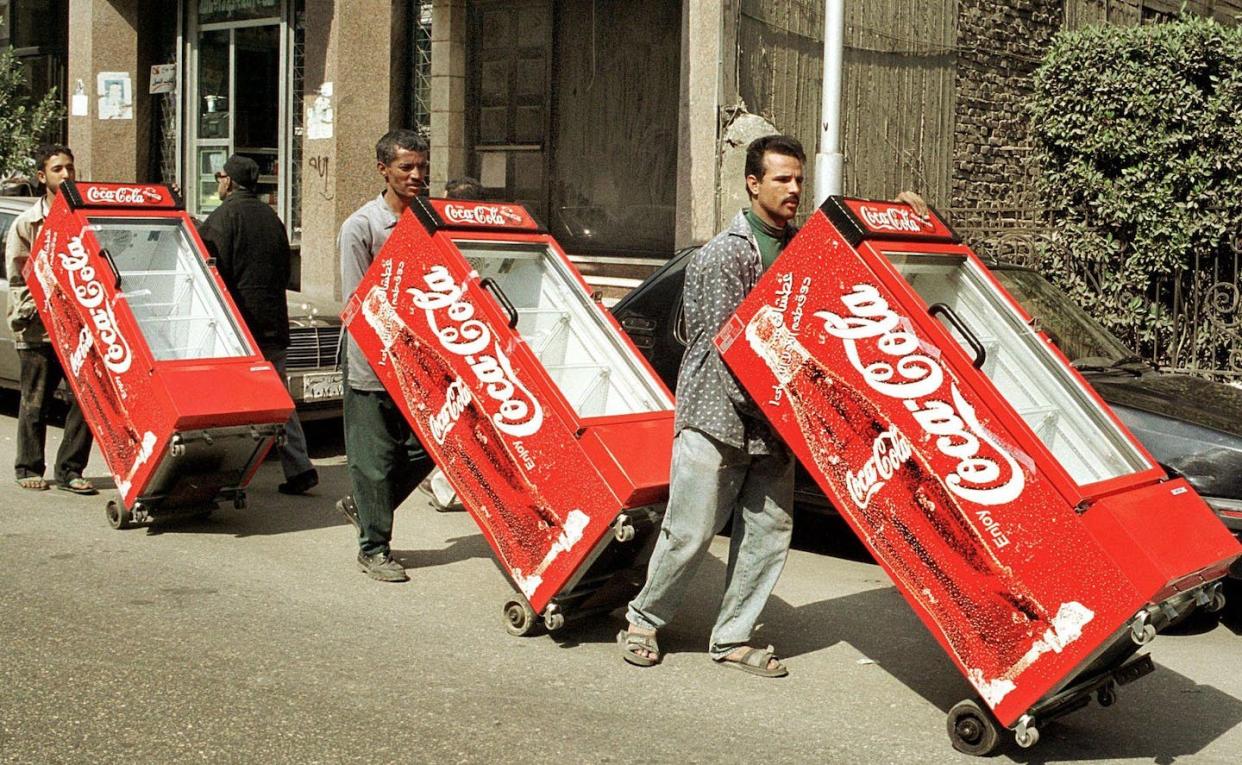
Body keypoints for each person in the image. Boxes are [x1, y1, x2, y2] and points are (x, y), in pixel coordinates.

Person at [616, 134, 926, 676]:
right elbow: (726, 349)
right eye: (782, 179)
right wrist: (790, 411)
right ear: (752, 183)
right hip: (719, 417)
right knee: (690, 531)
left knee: (767, 533)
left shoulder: (801, 246)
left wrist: (904, 222)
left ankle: (732, 637)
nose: (794, 189)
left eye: (799, 180)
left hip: (777, 422)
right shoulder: (726, 253)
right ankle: (643, 621)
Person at [336, 129, 437, 582]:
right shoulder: (362, 227)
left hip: (422, 362)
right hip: (373, 362)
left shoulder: (430, 219)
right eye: (406, 167)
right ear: (384, 170)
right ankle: (373, 548)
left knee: (428, 448)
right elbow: (356, 303)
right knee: (373, 461)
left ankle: (363, 506)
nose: (417, 175)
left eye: (422, 167)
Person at [199, 154, 319, 496]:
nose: (219, 182)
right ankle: (300, 468)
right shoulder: (272, 218)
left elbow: (212, 278)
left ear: (229, 181)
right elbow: (284, 273)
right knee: (278, 397)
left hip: (239, 328)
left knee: (225, 401)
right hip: (273, 323)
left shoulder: (222, 218)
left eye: (221, 176)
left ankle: (221, 473)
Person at [5, 145, 96, 494]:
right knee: (35, 401)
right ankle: (28, 466)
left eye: (70, 168)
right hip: (38, 329)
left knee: (86, 401)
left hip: (79, 330)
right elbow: (18, 278)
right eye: (58, 169)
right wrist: (36, 310)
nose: (67, 175)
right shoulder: (27, 223)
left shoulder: (84, 218)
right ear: (43, 177)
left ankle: (70, 469)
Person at [414, 175, 484, 513]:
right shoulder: (485, 236)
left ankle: (443, 483)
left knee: (456, 413)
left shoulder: (447, 236)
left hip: (458, 338)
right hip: (476, 340)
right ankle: (444, 480)